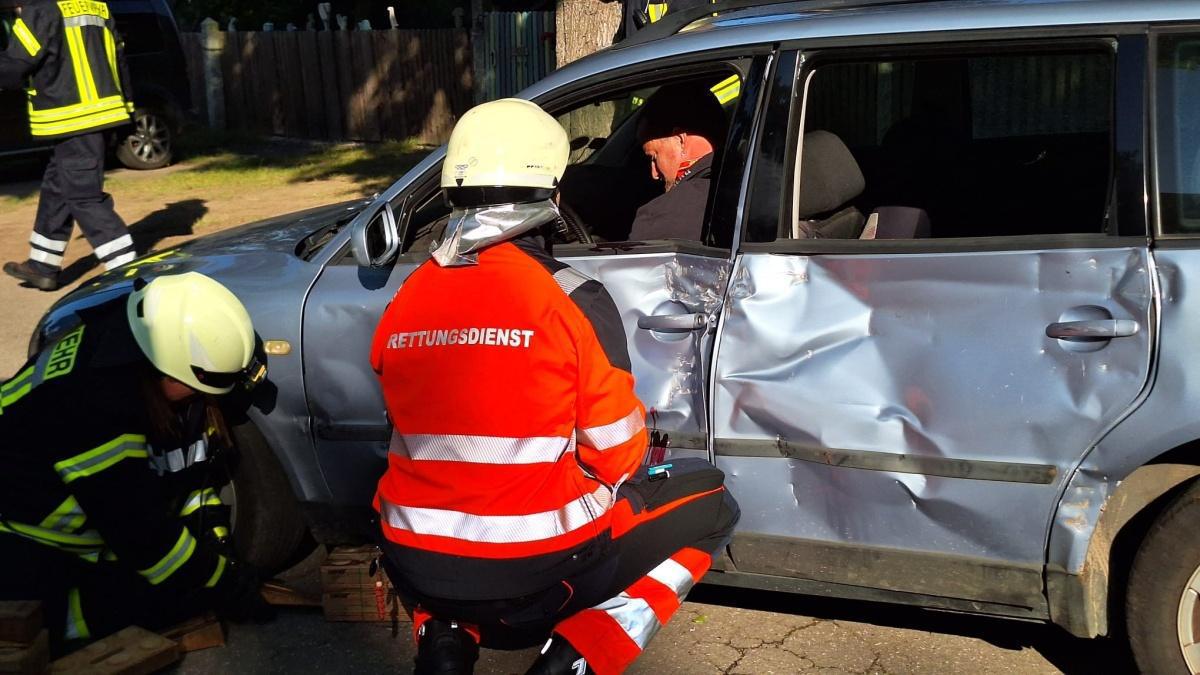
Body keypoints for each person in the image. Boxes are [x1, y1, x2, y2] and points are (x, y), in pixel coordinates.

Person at [371, 98, 739, 675]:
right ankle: (577, 656)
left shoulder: (409, 295)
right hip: (537, 565)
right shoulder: (571, 298)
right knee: (713, 503)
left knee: (444, 510)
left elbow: (410, 425)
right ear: (553, 197)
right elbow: (617, 453)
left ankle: (443, 641)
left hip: (410, 557)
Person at [0, 271, 273, 653]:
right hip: (20, 537)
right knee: (142, 603)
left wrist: (219, 545)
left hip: (89, 532)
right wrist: (220, 581)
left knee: (172, 589)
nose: (203, 396)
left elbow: (191, 474)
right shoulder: (88, 403)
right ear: (169, 363)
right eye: (201, 383)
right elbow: (141, 534)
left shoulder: (150, 361)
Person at [0, 0, 137, 291]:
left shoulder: (41, 8)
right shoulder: (98, 6)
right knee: (57, 187)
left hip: (72, 119)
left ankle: (129, 272)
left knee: (84, 197)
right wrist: (128, 113)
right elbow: (120, 60)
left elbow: (16, 64)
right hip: (103, 116)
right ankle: (43, 266)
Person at [627, 83, 726, 242]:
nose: (654, 174)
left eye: (654, 157)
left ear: (680, 141)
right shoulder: (739, 180)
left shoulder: (666, 213)